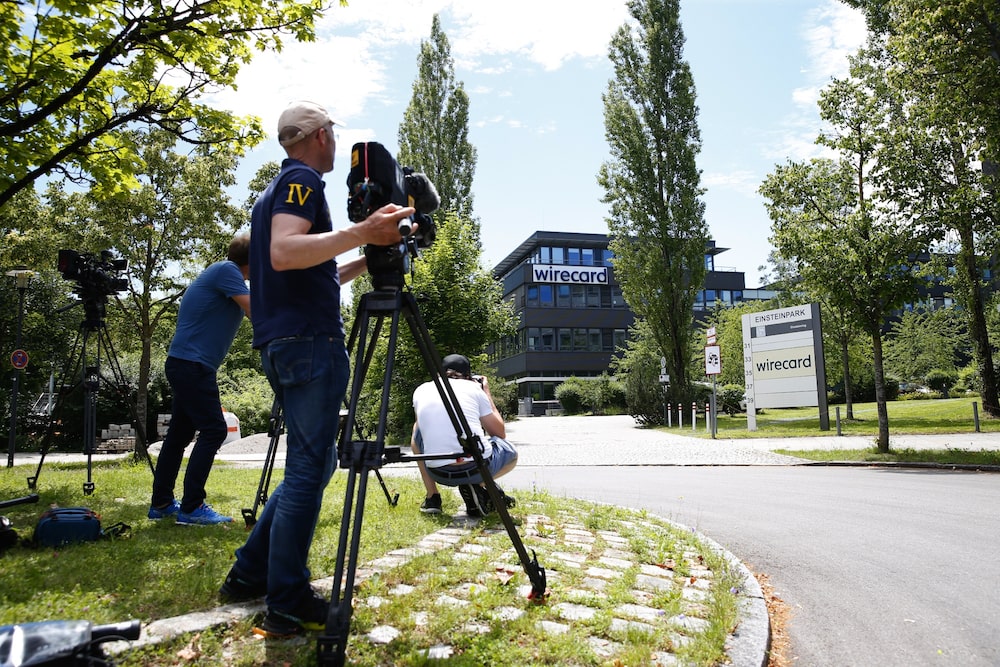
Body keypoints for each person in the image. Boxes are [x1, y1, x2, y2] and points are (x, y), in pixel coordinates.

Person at [218, 100, 414, 638]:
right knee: (310, 469)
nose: (334, 144)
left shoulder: (273, 193)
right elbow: (285, 253)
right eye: (332, 134)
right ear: (320, 135)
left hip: (287, 340)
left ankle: (248, 573)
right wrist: (362, 231)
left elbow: (312, 266)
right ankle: (285, 599)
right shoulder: (302, 179)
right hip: (309, 342)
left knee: (314, 464)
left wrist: (371, 247)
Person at [148, 233, 251, 525]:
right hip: (192, 366)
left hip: (187, 364)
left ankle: (162, 503)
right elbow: (256, 311)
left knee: (179, 435)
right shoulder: (227, 271)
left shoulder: (227, 276)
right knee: (215, 430)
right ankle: (192, 507)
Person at [411, 354, 518, 517]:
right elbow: (499, 433)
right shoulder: (474, 388)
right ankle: (478, 484)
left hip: (438, 473)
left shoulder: (421, 390)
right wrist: (486, 393)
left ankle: (432, 497)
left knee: (417, 432)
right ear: (468, 376)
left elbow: (423, 431)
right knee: (510, 451)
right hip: (476, 468)